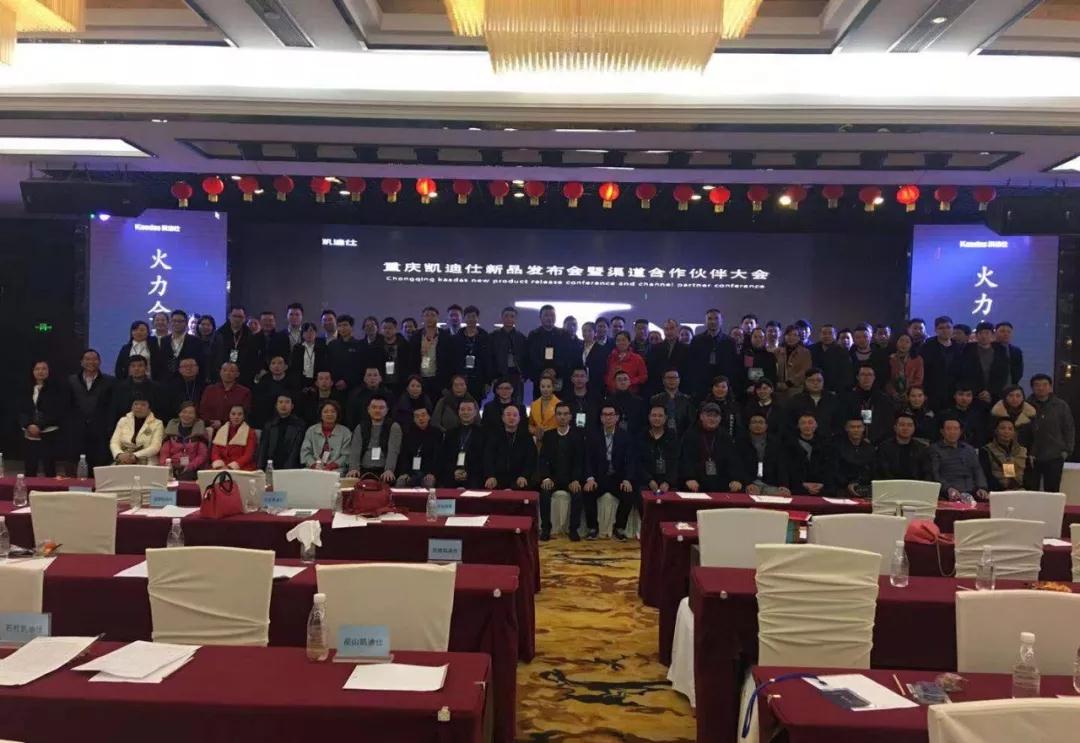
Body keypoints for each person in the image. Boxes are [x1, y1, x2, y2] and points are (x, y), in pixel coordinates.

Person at [583, 403, 637, 540]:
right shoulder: (593, 436)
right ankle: (592, 528)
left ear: (617, 417)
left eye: (611, 415)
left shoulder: (625, 436)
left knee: (629, 493)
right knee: (588, 491)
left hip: (617, 478)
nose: (608, 418)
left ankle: (619, 528)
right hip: (599, 478)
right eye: (605, 415)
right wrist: (590, 478)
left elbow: (631, 461)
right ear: (601, 418)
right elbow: (587, 459)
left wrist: (627, 479)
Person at [537, 402, 586, 540]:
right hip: (553, 478)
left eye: (565, 414)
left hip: (571, 479)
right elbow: (543, 459)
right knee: (544, 493)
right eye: (559, 414)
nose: (562, 417)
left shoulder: (578, 435)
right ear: (555, 416)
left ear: (570, 416)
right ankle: (545, 529)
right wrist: (546, 477)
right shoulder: (548, 435)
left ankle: (573, 530)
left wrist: (576, 479)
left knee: (578, 494)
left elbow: (579, 460)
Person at [67, 349, 115, 472]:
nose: (91, 362)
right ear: (81, 362)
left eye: (94, 359)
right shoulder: (71, 380)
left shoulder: (110, 381)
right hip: (77, 433)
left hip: (101, 433)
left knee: (99, 470)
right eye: (87, 359)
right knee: (77, 470)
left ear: (99, 362)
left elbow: (112, 407)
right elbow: (67, 406)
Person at [679, 402, 744, 494]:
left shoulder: (725, 436)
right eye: (709, 415)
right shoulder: (690, 435)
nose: (712, 419)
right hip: (696, 482)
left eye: (715, 416)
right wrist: (689, 478)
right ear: (701, 417)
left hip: (721, 482)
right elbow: (686, 459)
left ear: (720, 419)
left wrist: (735, 479)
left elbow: (733, 459)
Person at [1026, 373, 1075, 492]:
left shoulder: (1061, 405)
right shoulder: (1026, 405)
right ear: (1032, 388)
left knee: (1052, 492)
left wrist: (1067, 450)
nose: (1041, 388)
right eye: (1037, 385)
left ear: (1050, 387)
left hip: (1055, 455)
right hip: (1031, 456)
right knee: (1030, 491)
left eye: (1044, 384)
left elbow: (1069, 429)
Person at [18, 360, 66, 477]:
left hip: (49, 432)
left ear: (49, 371)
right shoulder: (26, 388)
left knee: (49, 468)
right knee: (30, 468)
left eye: (44, 368)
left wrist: (40, 426)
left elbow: (58, 411)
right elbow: (21, 409)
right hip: (29, 433)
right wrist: (28, 425)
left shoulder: (57, 389)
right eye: (37, 369)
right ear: (32, 371)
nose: (40, 371)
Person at [929, 417, 988, 501]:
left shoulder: (969, 449)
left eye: (956, 429)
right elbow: (934, 474)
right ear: (942, 431)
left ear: (960, 432)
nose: (952, 432)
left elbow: (977, 470)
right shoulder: (934, 449)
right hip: (948, 493)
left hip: (972, 492)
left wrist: (982, 487)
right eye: (948, 429)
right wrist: (947, 489)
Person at [346, 394, 401, 482]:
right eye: (374, 407)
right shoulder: (360, 427)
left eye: (381, 408)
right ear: (368, 409)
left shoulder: (393, 427)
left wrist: (389, 470)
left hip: (384, 470)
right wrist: (353, 468)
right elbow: (355, 450)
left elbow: (393, 451)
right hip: (363, 469)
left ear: (387, 410)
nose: (377, 410)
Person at [483, 405, 537, 491]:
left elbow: (531, 459)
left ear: (519, 418)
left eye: (515, 415)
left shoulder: (526, 437)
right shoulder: (494, 436)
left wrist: (524, 476)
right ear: (503, 418)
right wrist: (490, 476)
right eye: (508, 415)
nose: (511, 418)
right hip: (497, 479)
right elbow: (488, 457)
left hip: (519, 479)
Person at [687, 309, 738, 400]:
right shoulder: (697, 340)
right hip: (701, 387)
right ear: (705, 321)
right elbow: (691, 365)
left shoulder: (730, 342)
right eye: (710, 319)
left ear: (721, 321)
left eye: (716, 318)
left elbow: (733, 367)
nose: (713, 322)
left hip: (723, 387)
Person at [736, 412, 789, 496]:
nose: (757, 425)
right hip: (749, 484)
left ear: (766, 426)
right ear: (749, 426)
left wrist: (783, 485)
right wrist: (748, 483)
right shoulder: (740, 443)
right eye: (754, 422)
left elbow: (781, 466)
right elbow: (738, 466)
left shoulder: (775, 443)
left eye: (761, 422)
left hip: (770, 484)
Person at [437, 399, 486, 489]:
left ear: (475, 412)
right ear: (458, 412)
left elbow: (484, 458)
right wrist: (454, 471)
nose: (466, 412)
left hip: (474, 476)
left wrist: (468, 472)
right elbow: (444, 457)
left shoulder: (483, 433)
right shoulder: (450, 433)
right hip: (452, 475)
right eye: (462, 409)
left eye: (469, 409)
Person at [841, 364, 895, 444]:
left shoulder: (884, 399)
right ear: (857, 377)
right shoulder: (847, 399)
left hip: (879, 443)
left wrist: (875, 440)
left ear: (874, 377)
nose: (866, 378)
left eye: (869, 375)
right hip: (853, 442)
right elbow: (843, 422)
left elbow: (888, 423)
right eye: (863, 374)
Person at [960, 321, 1010, 404]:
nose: (983, 336)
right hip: (972, 394)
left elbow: (1003, 374)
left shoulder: (1000, 351)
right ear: (976, 335)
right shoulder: (967, 350)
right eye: (980, 333)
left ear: (993, 335)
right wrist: (978, 392)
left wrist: (990, 391)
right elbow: (965, 373)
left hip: (995, 394)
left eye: (987, 333)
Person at [784, 413, 834, 496]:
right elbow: (787, 469)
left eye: (810, 423)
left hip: (821, 487)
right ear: (798, 426)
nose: (807, 426)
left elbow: (830, 469)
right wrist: (803, 485)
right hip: (797, 487)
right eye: (803, 423)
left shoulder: (826, 445)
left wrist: (821, 484)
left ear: (816, 425)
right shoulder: (789, 445)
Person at [785, 368, 841, 442]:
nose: (815, 383)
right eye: (811, 380)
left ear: (823, 382)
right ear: (805, 382)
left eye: (819, 380)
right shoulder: (796, 400)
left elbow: (838, 422)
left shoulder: (833, 400)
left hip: (828, 441)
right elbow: (790, 422)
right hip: (802, 441)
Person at [208, 306, 260, 386]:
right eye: (234, 316)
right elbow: (213, 356)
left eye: (240, 317)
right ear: (229, 316)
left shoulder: (250, 336)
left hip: (243, 377)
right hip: (221, 376)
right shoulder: (219, 334)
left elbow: (253, 358)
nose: (237, 319)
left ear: (244, 318)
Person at [411, 306, 454, 402]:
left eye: (432, 315)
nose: (429, 318)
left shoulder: (446, 336)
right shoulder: (416, 336)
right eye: (426, 315)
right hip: (419, 379)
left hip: (439, 379)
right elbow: (411, 359)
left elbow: (450, 360)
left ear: (437, 318)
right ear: (422, 318)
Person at [919, 316, 962, 412]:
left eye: (948, 327)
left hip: (954, 393)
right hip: (932, 392)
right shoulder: (927, 348)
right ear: (935, 330)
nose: (945, 330)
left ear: (952, 329)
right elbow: (923, 371)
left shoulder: (959, 348)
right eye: (941, 328)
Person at [874, 411, 931, 482]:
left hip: (915, 485)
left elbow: (926, 472)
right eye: (902, 425)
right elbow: (882, 471)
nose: (905, 428)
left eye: (909, 425)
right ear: (895, 428)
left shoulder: (921, 448)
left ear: (914, 428)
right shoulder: (884, 447)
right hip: (891, 485)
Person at [159, 401, 209, 480]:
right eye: (184, 412)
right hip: (172, 465)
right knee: (161, 477)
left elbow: (202, 455)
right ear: (179, 414)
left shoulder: (200, 432)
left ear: (195, 415)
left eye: (190, 413)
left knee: (184, 477)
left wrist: (190, 466)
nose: (187, 415)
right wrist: (166, 465)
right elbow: (164, 452)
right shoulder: (171, 430)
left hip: (192, 468)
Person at [526, 304, 570, 394]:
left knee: (558, 402)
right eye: (546, 315)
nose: (549, 318)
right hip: (539, 377)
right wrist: (544, 371)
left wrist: (555, 371)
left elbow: (566, 356)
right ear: (540, 318)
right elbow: (531, 356)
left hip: (558, 377)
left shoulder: (563, 334)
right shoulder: (534, 335)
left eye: (552, 315)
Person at [487, 307, 528, 403]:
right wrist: (492, 376)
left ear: (515, 319)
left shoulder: (521, 337)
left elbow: (526, 358)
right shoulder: (493, 336)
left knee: (517, 404)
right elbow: (489, 358)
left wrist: (524, 375)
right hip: (499, 375)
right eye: (506, 316)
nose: (509, 319)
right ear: (501, 318)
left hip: (516, 375)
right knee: (500, 403)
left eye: (512, 316)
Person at [637, 404, 681, 494]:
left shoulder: (673, 437)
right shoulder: (641, 437)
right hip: (645, 483)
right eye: (654, 415)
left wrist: (668, 482)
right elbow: (638, 462)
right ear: (649, 417)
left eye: (660, 416)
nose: (657, 418)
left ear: (666, 418)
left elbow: (676, 462)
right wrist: (649, 480)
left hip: (669, 484)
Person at [257, 393, 306, 470]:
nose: (283, 405)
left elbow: (296, 450)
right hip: (270, 465)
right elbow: (263, 448)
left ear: (292, 406)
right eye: (280, 402)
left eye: (287, 402)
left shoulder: (299, 425)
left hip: (291, 467)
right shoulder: (269, 425)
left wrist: (288, 468)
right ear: (276, 406)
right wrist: (261, 467)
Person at [449, 305, 489, 402]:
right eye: (468, 316)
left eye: (473, 316)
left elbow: (488, 360)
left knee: (475, 405)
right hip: (460, 379)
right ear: (464, 318)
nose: (471, 319)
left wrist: (488, 381)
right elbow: (452, 360)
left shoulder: (485, 337)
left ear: (477, 318)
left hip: (478, 379)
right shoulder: (456, 338)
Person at [111, 356, 167, 423]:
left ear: (146, 368)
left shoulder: (157, 388)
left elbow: (161, 411)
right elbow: (114, 411)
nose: (136, 368)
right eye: (133, 366)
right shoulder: (120, 388)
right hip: (125, 425)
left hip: (150, 424)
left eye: (140, 366)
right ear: (129, 369)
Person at [299, 400, 351, 471]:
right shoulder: (311, 430)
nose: (329, 414)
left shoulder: (345, 432)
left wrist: (332, 466)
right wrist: (314, 465)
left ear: (337, 414)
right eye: (325, 412)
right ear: (320, 415)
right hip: (313, 468)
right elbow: (305, 453)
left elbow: (346, 455)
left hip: (337, 469)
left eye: (333, 412)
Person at [199, 361, 253, 431]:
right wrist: (210, 422)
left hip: (234, 430)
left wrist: (222, 423)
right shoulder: (209, 389)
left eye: (232, 371)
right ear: (220, 372)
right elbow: (202, 410)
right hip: (209, 428)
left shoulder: (245, 392)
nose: (227, 373)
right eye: (224, 370)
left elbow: (245, 414)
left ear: (237, 374)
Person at [110, 397, 164, 465]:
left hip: (146, 459)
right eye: (136, 404)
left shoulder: (158, 423)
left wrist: (135, 456)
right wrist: (119, 454)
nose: (138, 407)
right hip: (123, 459)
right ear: (132, 407)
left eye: (143, 405)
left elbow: (155, 447)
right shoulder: (123, 420)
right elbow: (114, 442)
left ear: (149, 409)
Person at [395, 407, 441, 487]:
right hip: (411, 472)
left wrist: (433, 473)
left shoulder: (436, 433)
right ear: (414, 419)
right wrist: (405, 473)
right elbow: (404, 456)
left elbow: (438, 457)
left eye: (423, 415)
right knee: (401, 481)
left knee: (429, 482)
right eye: (417, 416)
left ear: (429, 417)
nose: (420, 418)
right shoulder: (408, 434)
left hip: (428, 472)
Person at [980, 417, 1027, 492]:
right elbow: (987, 475)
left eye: (1010, 429)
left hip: (1021, 491)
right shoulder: (986, 450)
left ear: (1014, 433)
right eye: (1002, 428)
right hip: (998, 491)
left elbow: (1028, 475)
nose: (1006, 431)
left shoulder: (1023, 451)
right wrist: (1003, 490)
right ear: (996, 431)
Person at [645, 318, 689, 399]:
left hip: (681, 389)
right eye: (666, 329)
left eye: (672, 328)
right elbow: (651, 370)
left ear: (677, 329)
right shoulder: (655, 349)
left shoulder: (686, 349)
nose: (669, 332)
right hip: (658, 389)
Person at [833, 416, 876, 498]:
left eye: (859, 427)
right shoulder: (837, 447)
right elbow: (835, 470)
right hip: (841, 488)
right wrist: (847, 484)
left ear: (863, 428)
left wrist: (858, 483)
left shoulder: (870, 448)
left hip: (864, 487)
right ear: (846, 428)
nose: (856, 430)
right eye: (852, 427)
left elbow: (872, 470)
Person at [251, 355, 295, 429]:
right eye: (273, 363)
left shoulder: (292, 382)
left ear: (286, 367)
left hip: (286, 419)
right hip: (266, 419)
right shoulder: (264, 381)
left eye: (280, 363)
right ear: (269, 367)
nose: (276, 366)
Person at [374, 316, 414, 397]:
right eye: (384, 328)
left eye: (390, 328)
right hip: (382, 383)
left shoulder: (404, 345)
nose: (387, 330)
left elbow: (409, 364)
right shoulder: (376, 346)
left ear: (395, 329)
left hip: (401, 383)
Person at [210, 404, 257, 471]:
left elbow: (248, 455)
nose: (236, 417)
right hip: (222, 466)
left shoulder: (250, 432)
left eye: (239, 414)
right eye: (233, 414)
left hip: (242, 467)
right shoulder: (221, 430)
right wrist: (219, 465)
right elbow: (215, 452)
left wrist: (231, 467)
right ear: (229, 415)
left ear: (244, 417)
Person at [650, 368, 694, 438]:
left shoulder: (687, 400)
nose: (672, 380)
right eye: (669, 378)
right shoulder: (655, 399)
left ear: (679, 380)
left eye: (675, 378)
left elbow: (691, 422)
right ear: (663, 381)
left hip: (683, 437)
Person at [327, 314, 366, 392]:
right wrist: (335, 381)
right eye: (339, 326)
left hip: (354, 388)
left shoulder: (360, 345)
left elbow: (360, 368)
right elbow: (329, 365)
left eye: (345, 325)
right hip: (334, 386)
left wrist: (347, 382)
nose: (342, 328)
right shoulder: (332, 345)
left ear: (351, 327)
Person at [808, 325, 852, 395]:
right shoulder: (812, 349)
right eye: (824, 333)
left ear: (835, 335)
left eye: (830, 333)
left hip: (834, 391)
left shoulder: (842, 352)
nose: (827, 336)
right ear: (820, 335)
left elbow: (846, 375)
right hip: (813, 387)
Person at [990, 385, 1036, 452]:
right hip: (999, 452)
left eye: (1018, 396)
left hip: (1024, 453)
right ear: (1005, 397)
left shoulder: (1031, 414)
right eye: (1011, 395)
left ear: (1023, 398)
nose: (1014, 399)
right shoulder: (996, 414)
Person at [162, 309, 205, 376]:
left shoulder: (196, 341)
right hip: (168, 379)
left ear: (186, 323)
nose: (177, 323)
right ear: (170, 322)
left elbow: (200, 363)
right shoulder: (164, 340)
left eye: (180, 321)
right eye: (174, 321)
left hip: (189, 378)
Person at [774, 324, 812, 399]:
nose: (791, 337)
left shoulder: (805, 352)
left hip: (797, 390)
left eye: (795, 335)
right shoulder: (777, 351)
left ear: (799, 337)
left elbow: (805, 371)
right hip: (779, 389)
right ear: (785, 336)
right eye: (789, 335)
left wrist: (789, 383)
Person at [886, 332, 924, 404]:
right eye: (901, 340)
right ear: (896, 342)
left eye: (907, 342)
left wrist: (907, 392)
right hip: (892, 396)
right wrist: (893, 393)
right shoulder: (890, 358)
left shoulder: (917, 359)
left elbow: (918, 379)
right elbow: (887, 379)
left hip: (912, 395)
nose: (904, 344)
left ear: (911, 344)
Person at [289, 322, 327, 392]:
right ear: (302, 334)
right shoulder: (297, 348)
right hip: (301, 381)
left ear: (316, 333)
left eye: (311, 331)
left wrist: (316, 384)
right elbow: (295, 368)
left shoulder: (322, 348)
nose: (309, 334)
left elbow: (323, 366)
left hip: (317, 380)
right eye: (306, 331)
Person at [606, 370, 647, 436]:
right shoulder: (608, 402)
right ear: (614, 383)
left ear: (629, 382)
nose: (622, 382)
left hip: (635, 437)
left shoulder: (639, 401)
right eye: (619, 380)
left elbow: (644, 423)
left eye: (625, 379)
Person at [849, 323, 889, 390]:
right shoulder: (849, 356)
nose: (861, 340)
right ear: (854, 339)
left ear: (870, 337)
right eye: (858, 337)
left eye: (865, 336)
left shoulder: (880, 355)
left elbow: (885, 376)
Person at [699, 375, 740, 440]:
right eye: (717, 386)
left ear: (728, 389)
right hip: (707, 441)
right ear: (712, 388)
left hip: (729, 441)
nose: (720, 389)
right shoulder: (704, 405)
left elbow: (739, 427)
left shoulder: (734, 406)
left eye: (723, 387)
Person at [254, 310, 290, 376]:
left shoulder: (283, 338)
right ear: (260, 322)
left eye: (270, 320)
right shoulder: (253, 338)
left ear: (275, 322)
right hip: (258, 374)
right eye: (264, 320)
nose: (267, 323)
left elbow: (286, 357)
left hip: (278, 374)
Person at [565, 366, 599, 433]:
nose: (579, 379)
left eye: (582, 376)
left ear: (587, 379)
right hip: (571, 434)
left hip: (592, 434)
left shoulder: (596, 399)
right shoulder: (565, 400)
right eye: (576, 376)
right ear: (572, 379)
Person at [995, 322, 1024, 387]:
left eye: (1009, 332)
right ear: (995, 333)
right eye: (1002, 331)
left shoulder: (1016, 351)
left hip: (1011, 387)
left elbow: (1019, 372)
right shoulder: (990, 349)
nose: (1006, 334)